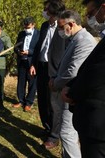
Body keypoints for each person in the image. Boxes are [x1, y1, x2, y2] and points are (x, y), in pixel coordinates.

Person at [62, 0, 105, 157]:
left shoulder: (85, 40)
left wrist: (72, 92)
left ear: (103, 8)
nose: (88, 17)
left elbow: (95, 74)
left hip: (98, 124)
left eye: (90, 13)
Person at [51, 10, 96, 158]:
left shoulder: (85, 41)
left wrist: (56, 83)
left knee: (66, 132)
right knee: (69, 132)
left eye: (61, 26)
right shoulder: (75, 39)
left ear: (71, 24)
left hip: (71, 92)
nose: (59, 30)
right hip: (67, 90)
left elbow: (73, 71)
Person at [30, 0, 65, 141]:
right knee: (43, 101)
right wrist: (34, 64)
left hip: (55, 70)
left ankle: (54, 135)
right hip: (42, 67)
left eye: (46, 10)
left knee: (53, 103)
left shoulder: (63, 27)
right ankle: (47, 127)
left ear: (54, 12)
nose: (44, 12)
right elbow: (39, 47)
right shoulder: (45, 26)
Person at [13, 17, 39, 112]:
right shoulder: (21, 33)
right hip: (21, 61)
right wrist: (19, 51)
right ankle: (21, 100)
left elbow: (39, 49)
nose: (26, 29)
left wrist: (29, 52)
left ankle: (29, 103)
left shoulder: (38, 34)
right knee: (21, 82)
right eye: (25, 27)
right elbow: (16, 46)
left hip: (32, 62)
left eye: (28, 27)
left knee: (32, 83)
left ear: (33, 25)